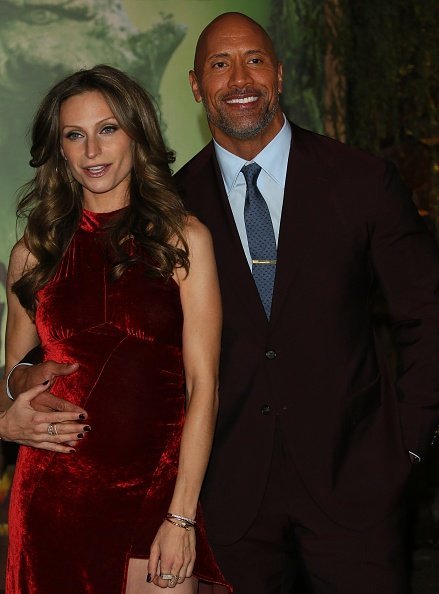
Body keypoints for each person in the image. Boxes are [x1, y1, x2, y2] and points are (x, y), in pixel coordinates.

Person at [173, 12, 439, 594]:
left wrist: (408, 449)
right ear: (196, 85)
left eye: (255, 60)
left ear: (280, 74)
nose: (240, 78)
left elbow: (429, 315)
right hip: (228, 502)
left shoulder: (362, 180)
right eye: (220, 64)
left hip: (357, 488)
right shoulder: (170, 205)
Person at [4, 64, 229, 594]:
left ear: (137, 134)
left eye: (108, 129)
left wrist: (181, 517)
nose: (92, 151)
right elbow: (11, 374)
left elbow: (204, 387)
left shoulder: (183, 240)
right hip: (50, 497)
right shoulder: (32, 253)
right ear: (60, 149)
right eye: (74, 136)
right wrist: (5, 421)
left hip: (153, 494)